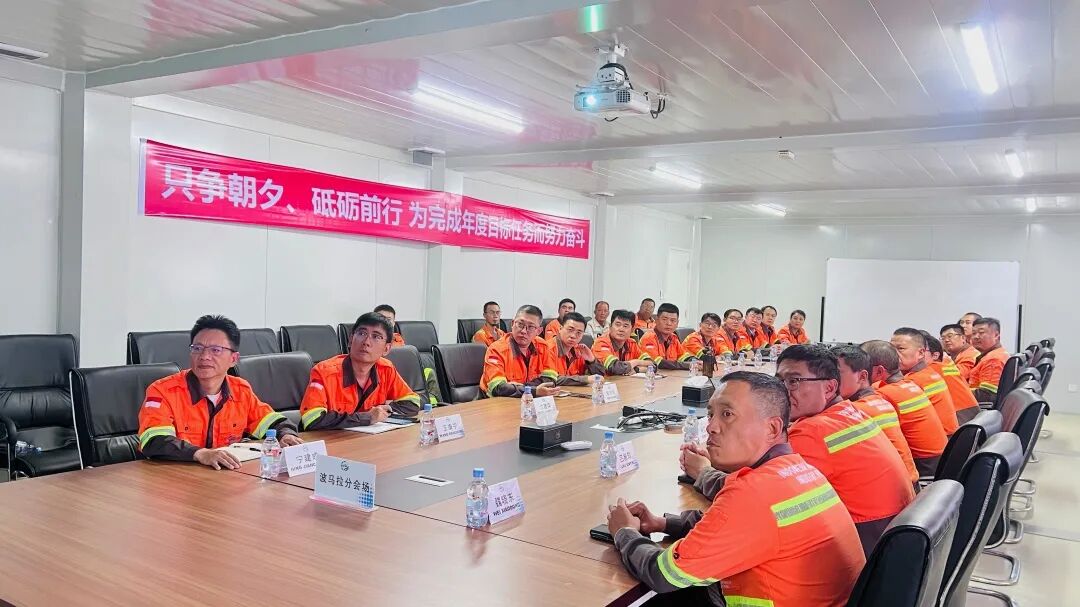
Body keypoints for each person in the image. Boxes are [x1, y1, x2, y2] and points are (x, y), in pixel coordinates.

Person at [606, 372, 864, 607]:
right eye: (711, 414)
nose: (711, 426)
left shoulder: (753, 493)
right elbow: (730, 525)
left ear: (772, 428)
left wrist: (625, 532)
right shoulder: (797, 470)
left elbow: (664, 574)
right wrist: (662, 523)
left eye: (727, 414)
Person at [774, 345, 914, 554]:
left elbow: (772, 491)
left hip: (865, 543)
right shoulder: (850, 411)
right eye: (779, 381)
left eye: (794, 381)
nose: (782, 391)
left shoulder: (811, 431)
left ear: (829, 388)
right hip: (895, 533)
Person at [138, 315, 302, 470]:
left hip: (221, 478)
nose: (204, 356)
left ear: (233, 359)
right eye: (197, 348)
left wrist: (285, 435)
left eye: (215, 350)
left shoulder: (240, 390)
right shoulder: (162, 391)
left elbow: (271, 422)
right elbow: (154, 441)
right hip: (171, 478)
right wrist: (200, 454)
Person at [299, 312, 422, 430]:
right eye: (362, 333)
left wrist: (384, 411)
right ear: (351, 340)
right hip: (332, 441)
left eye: (376, 336)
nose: (366, 342)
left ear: (386, 348)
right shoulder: (324, 372)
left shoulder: (386, 369)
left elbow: (413, 402)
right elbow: (312, 419)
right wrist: (367, 417)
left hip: (367, 439)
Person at [832, 345, 918, 485]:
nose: (830, 380)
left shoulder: (856, 411)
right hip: (910, 483)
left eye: (836, 373)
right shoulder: (879, 400)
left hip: (897, 488)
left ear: (862, 376)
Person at [861, 340, 946, 476]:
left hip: (924, 467)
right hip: (940, 460)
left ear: (879, 371)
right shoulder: (908, 385)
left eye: (861, 369)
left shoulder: (884, 396)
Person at [480, 305, 560, 397]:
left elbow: (551, 378)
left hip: (529, 400)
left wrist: (521, 388)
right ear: (512, 324)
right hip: (495, 402)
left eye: (531, 327)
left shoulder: (543, 346)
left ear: (538, 331)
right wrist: (533, 391)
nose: (524, 331)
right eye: (520, 324)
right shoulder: (496, 349)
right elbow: (498, 388)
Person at [891, 328, 959, 436]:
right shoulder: (928, 372)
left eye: (901, 349)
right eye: (891, 349)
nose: (893, 354)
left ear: (921, 353)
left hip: (943, 439)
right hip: (950, 437)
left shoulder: (913, 381)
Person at [922, 332, 980, 424]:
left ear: (935, 355)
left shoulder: (931, 370)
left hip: (960, 418)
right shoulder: (945, 364)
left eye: (921, 351)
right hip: (970, 414)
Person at [546, 312, 606, 384]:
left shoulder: (579, 350)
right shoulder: (547, 349)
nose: (573, 336)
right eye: (570, 330)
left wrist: (591, 361)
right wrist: (584, 379)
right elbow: (550, 379)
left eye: (579, 333)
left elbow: (599, 376)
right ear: (560, 329)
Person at [592, 309, 654, 375]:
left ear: (632, 330)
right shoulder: (601, 343)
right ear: (610, 327)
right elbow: (617, 368)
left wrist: (637, 369)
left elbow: (653, 365)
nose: (621, 329)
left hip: (623, 380)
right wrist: (635, 362)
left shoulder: (631, 343)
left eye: (625, 326)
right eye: (617, 325)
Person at [639, 303, 695, 370]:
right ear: (656, 320)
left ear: (677, 323)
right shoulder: (649, 337)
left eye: (673, 320)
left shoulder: (673, 338)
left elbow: (683, 356)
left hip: (670, 374)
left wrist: (695, 361)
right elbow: (657, 363)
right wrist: (688, 365)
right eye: (664, 319)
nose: (669, 323)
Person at [969, 317, 1010, 403]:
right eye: (973, 333)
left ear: (996, 335)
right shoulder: (994, 354)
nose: (976, 337)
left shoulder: (993, 360)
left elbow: (987, 395)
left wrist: (959, 393)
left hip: (978, 408)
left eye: (981, 333)